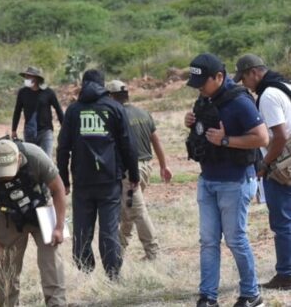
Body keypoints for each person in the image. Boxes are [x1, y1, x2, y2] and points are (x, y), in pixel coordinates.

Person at [184, 53, 268, 307]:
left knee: (235, 239)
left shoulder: (239, 102)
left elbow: (262, 138)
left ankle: (251, 294)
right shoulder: (205, 98)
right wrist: (191, 123)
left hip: (235, 180)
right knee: (208, 241)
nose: (199, 88)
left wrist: (225, 140)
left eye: (202, 83)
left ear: (219, 77)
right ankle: (208, 296)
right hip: (207, 178)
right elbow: (202, 132)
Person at [57, 69, 138, 280]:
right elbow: (128, 145)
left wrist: (64, 179)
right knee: (109, 228)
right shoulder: (114, 108)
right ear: (103, 85)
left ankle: (85, 272)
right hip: (109, 180)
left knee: (82, 229)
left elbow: (63, 147)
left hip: (82, 180)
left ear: (83, 84)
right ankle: (113, 274)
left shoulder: (74, 111)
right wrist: (134, 175)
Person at [0, 137, 67, 307]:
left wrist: (59, 227)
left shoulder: (35, 156)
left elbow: (58, 189)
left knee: (51, 261)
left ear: (18, 158)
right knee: (5, 264)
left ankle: (57, 303)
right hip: (7, 216)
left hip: (42, 207)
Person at [234, 54, 291, 290]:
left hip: (282, 163)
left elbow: (279, 136)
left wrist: (265, 164)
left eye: (244, 78)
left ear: (254, 72)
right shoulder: (285, 85)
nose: (245, 84)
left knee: (283, 221)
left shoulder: (267, 95)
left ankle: (286, 273)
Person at [106, 79, 173, 261]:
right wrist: (163, 165)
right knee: (128, 208)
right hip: (146, 168)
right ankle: (118, 250)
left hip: (130, 171)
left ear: (111, 96)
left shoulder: (117, 116)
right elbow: (156, 140)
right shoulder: (143, 112)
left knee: (137, 210)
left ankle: (153, 252)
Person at [12, 66, 64, 157]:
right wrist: (14, 129)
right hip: (29, 132)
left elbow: (58, 110)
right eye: (26, 77)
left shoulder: (48, 92)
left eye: (29, 77)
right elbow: (17, 111)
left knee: (46, 160)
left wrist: (64, 128)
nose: (26, 79)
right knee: (31, 161)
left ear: (36, 78)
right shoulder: (22, 93)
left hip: (45, 131)